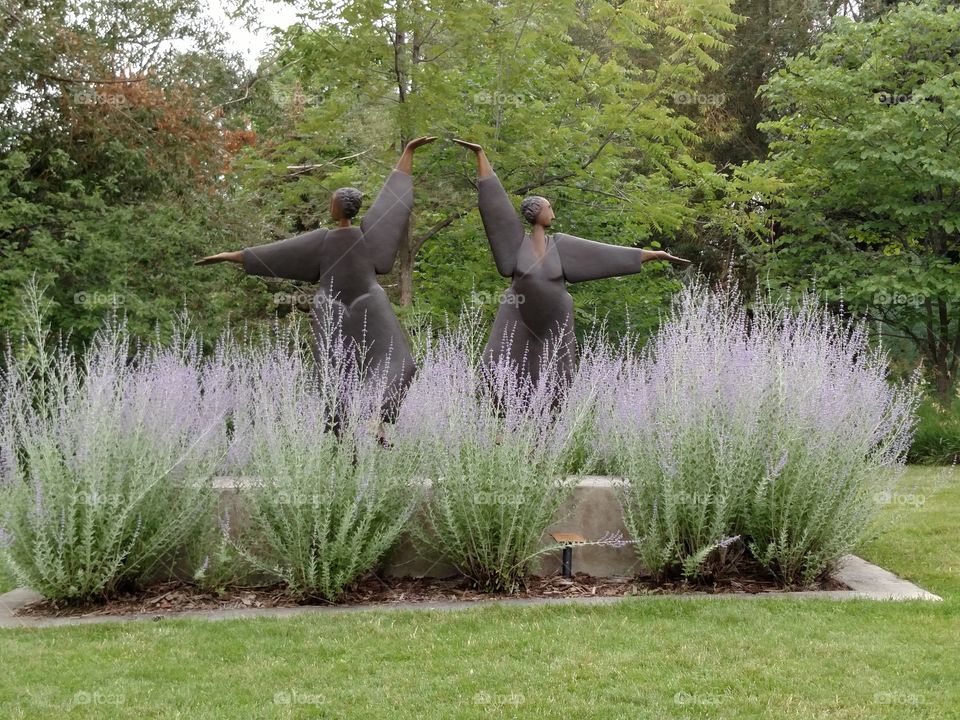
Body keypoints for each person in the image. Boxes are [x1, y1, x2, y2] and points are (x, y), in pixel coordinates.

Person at [196, 136, 437, 423]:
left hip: (364, 304)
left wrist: (408, 152)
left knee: (397, 364)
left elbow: (395, 199)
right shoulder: (335, 239)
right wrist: (232, 256)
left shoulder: (344, 238)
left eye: (331, 201)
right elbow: (274, 254)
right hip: (336, 307)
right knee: (336, 374)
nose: (329, 205)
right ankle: (348, 432)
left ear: (340, 207)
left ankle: (374, 418)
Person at [454, 138, 690, 390]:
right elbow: (495, 209)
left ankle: (548, 424)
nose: (553, 214)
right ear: (536, 213)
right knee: (496, 370)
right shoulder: (515, 246)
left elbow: (606, 255)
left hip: (554, 317)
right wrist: (480, 156)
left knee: (556, 379)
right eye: (549, 208)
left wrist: (653, 254)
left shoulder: (561, 245)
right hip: (517, 313)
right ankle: (502, 420)